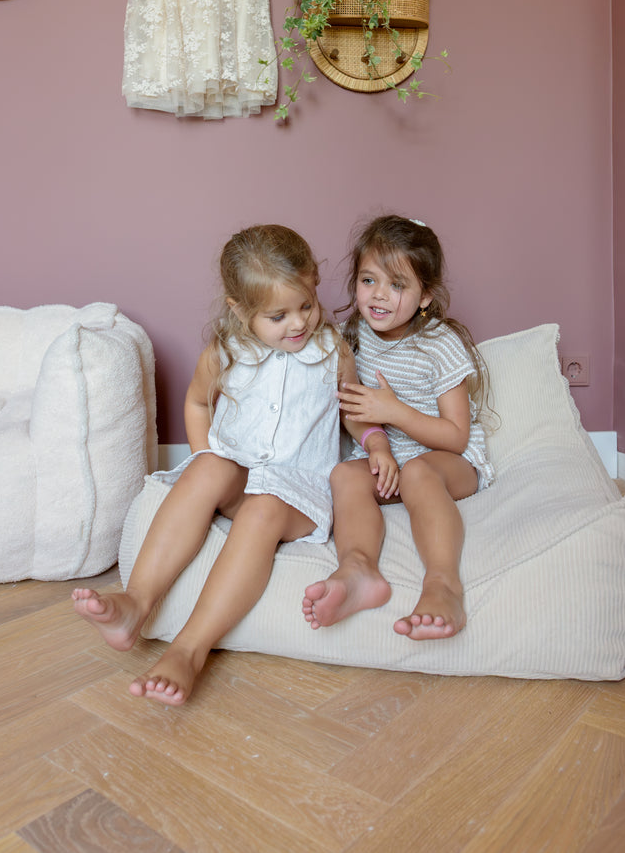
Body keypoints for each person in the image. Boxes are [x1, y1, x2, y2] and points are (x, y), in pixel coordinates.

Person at [73, 224, 396, 705]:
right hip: (241, 473)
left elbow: (353, 416)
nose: (297, 324)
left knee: (264, 507)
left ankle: (189, 649)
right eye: (277, 315)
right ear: (240, 311)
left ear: (313, 283)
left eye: (306, 305)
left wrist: (375, 444)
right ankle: (136, 603)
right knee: (206, 469)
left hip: (297, 490)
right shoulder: (226, 353)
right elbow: (198, 405)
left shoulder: (332, 352)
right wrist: (207, 453)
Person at [302, 215, 494, 641]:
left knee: (419, 473)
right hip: (391, 457)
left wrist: (394, 410)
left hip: (449, 460)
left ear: (425, 295)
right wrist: (377, 449)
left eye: (397, 285)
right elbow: (354, 411)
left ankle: (443, 585)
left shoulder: (438, 344)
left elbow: (456, 435)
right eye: (369, 280)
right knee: (344, 475)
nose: (379, 296)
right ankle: (358, 569)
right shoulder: (353, 335)